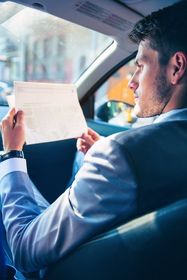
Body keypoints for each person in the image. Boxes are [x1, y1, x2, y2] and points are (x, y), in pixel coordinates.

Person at [1, 0, 187, 276]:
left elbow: (26, 250)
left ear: (177, 66)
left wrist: (12, 154)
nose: (131, 81)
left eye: (140, 66)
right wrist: (111, 155)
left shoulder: (120, 156)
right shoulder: (127, 156)